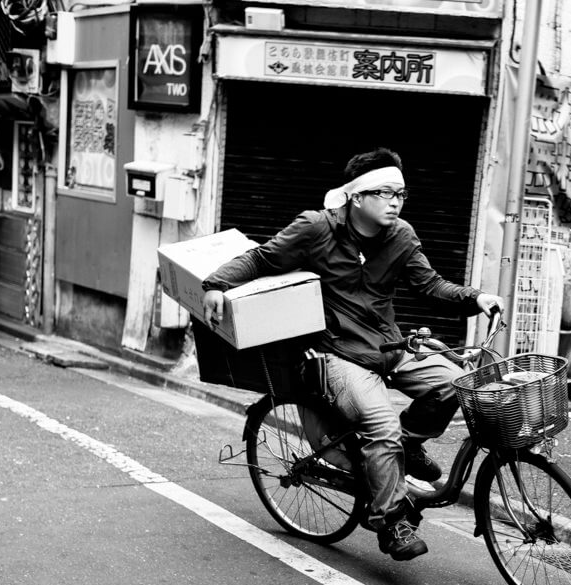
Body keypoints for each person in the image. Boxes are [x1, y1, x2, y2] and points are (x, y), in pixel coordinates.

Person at [200, 147, 503, 562]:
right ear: (357, 197)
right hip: (338, 353)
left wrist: (476, 297)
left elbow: (430, 285)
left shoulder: (402, 236)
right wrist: (216, 285)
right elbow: (262, 258)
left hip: (390, 345)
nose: (396, 201)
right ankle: (390, 520)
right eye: (385, 192)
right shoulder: (316, 228)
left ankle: (408, 447)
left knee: (455, 385)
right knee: (381, 427)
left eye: (401, 193)